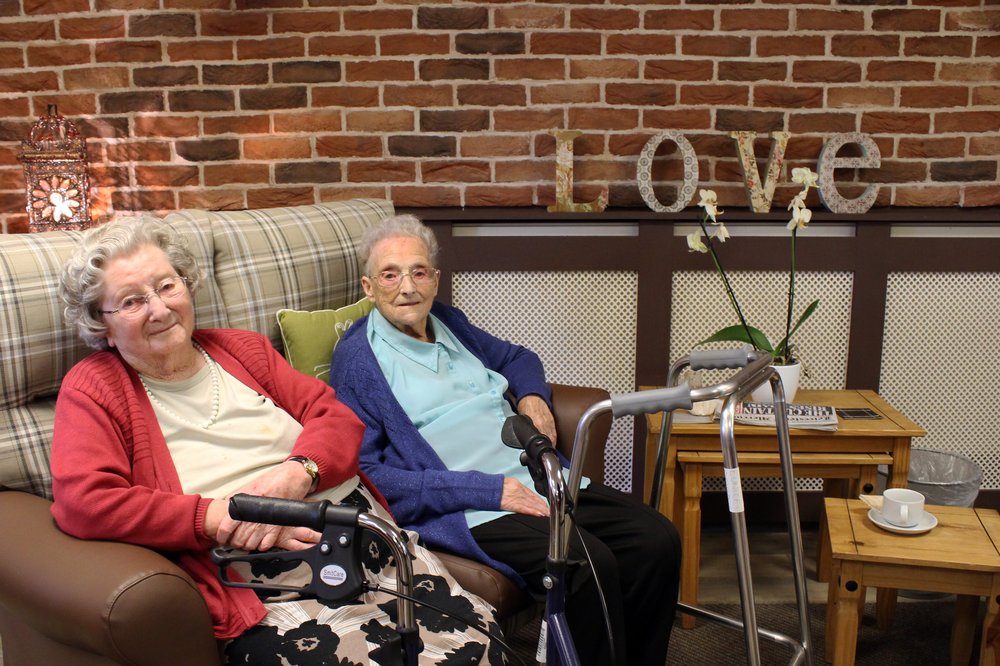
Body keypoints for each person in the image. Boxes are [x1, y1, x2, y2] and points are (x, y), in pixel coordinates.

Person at [50, 217, 504, 665]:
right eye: (132, 301)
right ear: (101, 324)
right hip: (258, 568)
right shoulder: (94, 388)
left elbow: (336, 418)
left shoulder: (241, 350)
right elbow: (85, 501)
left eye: (167, 286)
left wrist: (297, 473)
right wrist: (218, 515)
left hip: (361, 532)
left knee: (476, 643)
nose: (160, 309)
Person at [329, 214, 682, 666]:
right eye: (390, 275)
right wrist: (488, 490)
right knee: (585, 565)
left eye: (419, 272)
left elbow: (517, 357)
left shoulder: (447, 321)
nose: (407, 287)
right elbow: (368, 474)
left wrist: (533, 398)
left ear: (435, 280)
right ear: (368, 287)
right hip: (473, 507)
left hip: (534, 477)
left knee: (656, 539)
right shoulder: (358, 360)